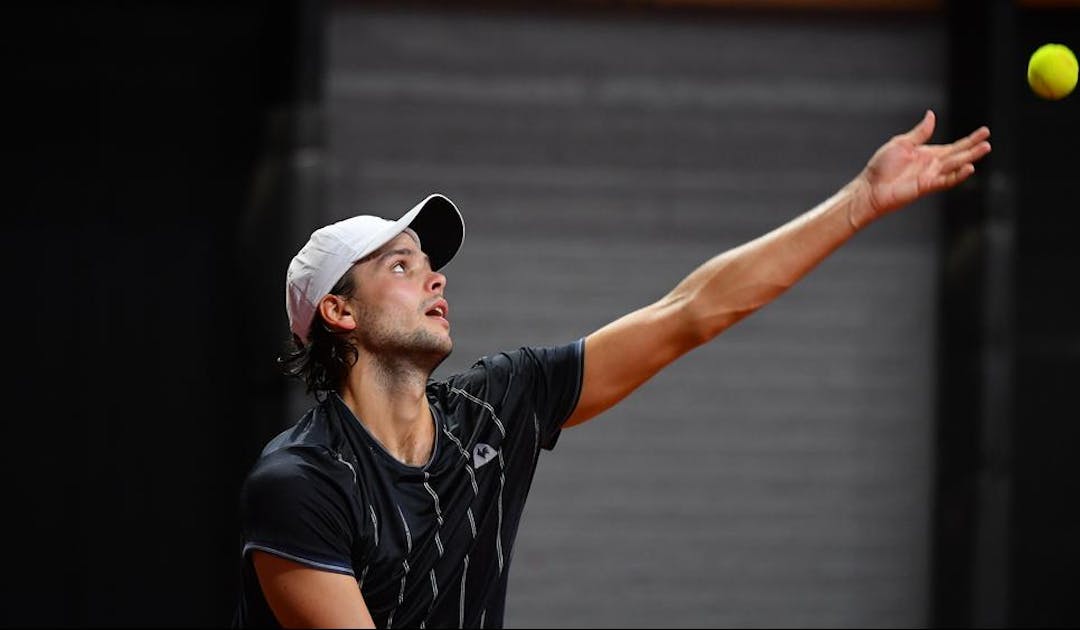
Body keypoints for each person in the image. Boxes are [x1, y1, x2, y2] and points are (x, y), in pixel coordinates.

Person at [233, 110, 990, 628]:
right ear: (340, 313)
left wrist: (859, 202)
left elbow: (690, 311)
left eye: (432, 265)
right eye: (402, 265)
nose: (435, 279)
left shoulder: (497, 407)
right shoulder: (301, 483)